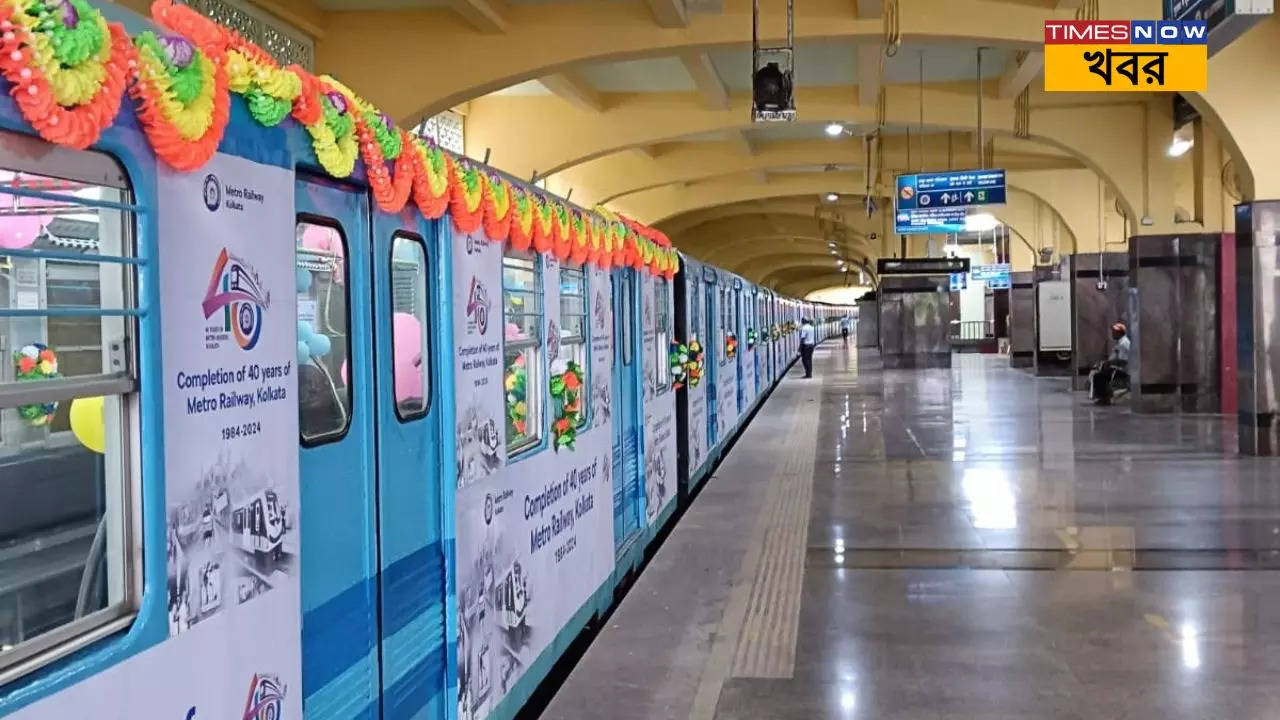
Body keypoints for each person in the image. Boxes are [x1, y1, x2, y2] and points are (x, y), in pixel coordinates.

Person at [1091, 322, 1131, 405]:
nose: (1112, 333)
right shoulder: (1120, 342)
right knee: (1098, 374)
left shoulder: (1124, 343)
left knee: (1099, 377)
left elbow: (1123, 360)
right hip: (1116, 367)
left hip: (1121, 370)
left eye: (1114, 332)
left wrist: (1109, 363)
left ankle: (1104, 398)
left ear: (1120, 333)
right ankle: (1103, 396)